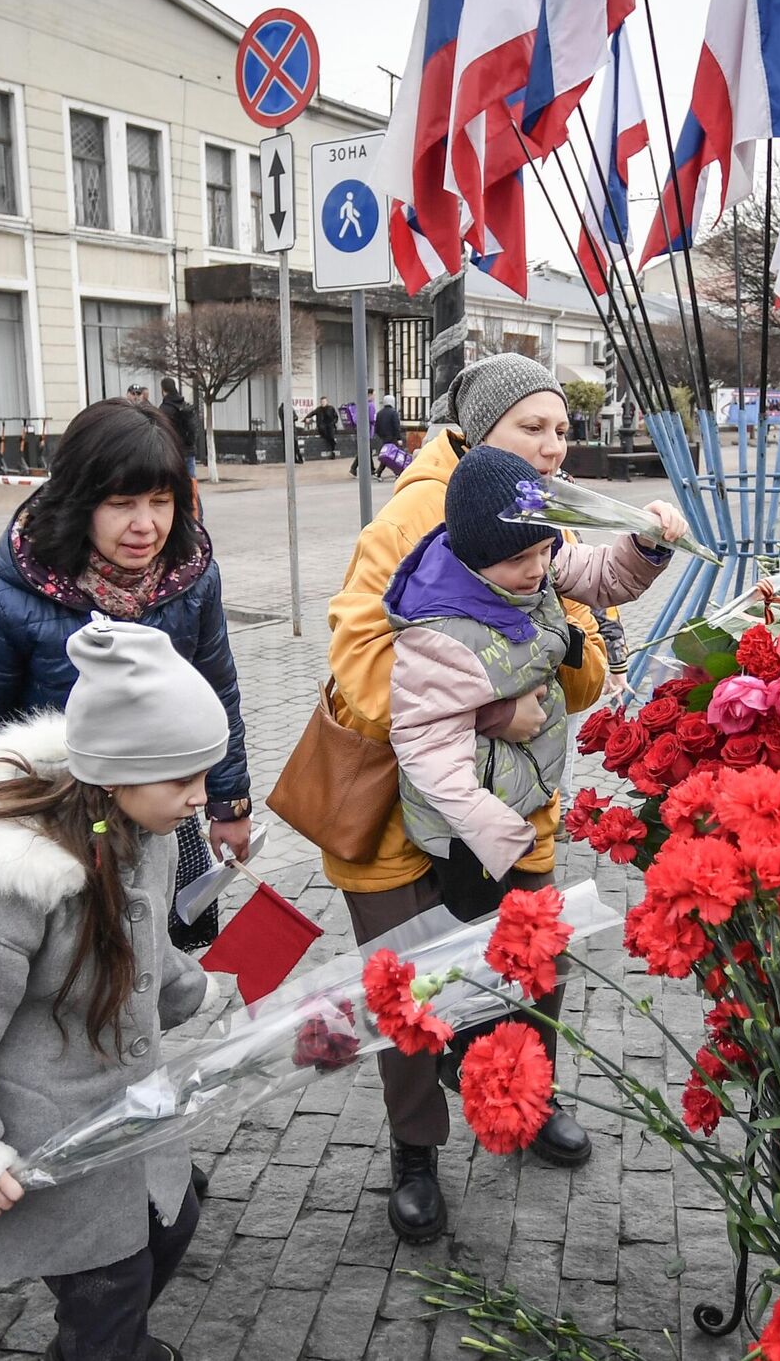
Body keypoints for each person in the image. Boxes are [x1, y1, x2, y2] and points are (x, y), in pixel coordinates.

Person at [323, 353, 625, 1243]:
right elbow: (360, 663)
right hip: (396, 809)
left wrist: (568, 663)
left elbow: (583, 663)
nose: (551, 445)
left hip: (513, 803)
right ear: (476, 427)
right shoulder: (416, 512)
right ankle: (416, 1148)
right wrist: (489, 706)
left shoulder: (546, 515)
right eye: (532, 426)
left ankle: (525, 1101)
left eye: (562, 428)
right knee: (410, 982)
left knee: (530, 955)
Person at [0, 616, 231, 1361]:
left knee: (172, 1224)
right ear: (113, 773)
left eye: (205, 775)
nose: (198, 800)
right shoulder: (18, 883)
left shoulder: (139, 833)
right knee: (110, 1289)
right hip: (43, 1139)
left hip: (124, 1122)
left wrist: (201, 990)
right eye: (182, 778)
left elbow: (143, 948)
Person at [385, 445, 683, 1068]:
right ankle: (462, 1052)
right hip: (466, 828)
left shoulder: (531, 554)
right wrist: (499, 837)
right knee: (476, 942)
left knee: (521, 946)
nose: (539, 569)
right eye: (520, 559)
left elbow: (604, 574)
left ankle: (510, 1058)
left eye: (545, 552)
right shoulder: (438, 633)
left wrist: (647, 546)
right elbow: (425, 750)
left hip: (515, 804)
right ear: (474, 558)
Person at [0, 398, 253, 953]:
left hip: (165, 820)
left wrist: (230, 802)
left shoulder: (192, 581)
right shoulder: (3, 599)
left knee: (163, 968)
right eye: (121, 503)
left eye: (161, 501)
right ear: (78, 501)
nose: (145, 525)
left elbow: (218, 690)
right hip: (60, 838)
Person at [156, 379, 200, 486]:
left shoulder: (165, 409)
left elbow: (161, 431)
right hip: (189, 450)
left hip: (174, 451)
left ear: (163, 390)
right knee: (191, 482)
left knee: (175, 484)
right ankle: (194, 502)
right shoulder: (184, 404)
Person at [313, 395, 340, 460]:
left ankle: (332, 449)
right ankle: (332, 445)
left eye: (324, 401)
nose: (323, 403)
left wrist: (333, 422)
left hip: (330, 426)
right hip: (322, 427)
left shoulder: (331, 408)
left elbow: (336, 417)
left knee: (331, 436)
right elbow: (312, 413)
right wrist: (306, 418)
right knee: (327, 435)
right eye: (322, 402)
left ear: (326, 402)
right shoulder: (319, 409)